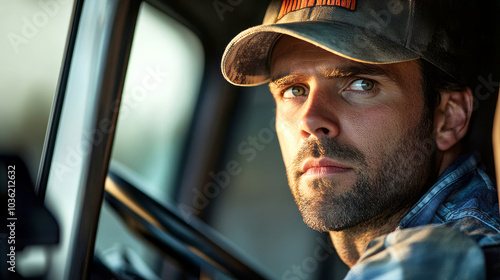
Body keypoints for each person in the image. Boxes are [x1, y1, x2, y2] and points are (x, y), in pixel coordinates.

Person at [221, 0, 500, 278]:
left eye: (362, 84)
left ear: (449, 118)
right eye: (294, 90)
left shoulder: (449, 260)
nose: (310, 121)